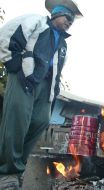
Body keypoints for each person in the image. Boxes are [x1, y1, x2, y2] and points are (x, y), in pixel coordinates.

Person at [0, 0, 83, 189]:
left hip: (45, 86)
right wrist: (15, 66)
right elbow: (6, 35)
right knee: (17, 120)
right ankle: (6, 174)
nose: (70, 22)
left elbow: (57, 71)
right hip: (24, 77)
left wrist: (53, 94)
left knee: (40, 121)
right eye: (67, 17)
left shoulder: (63, 45)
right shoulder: (36, 22)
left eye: (72, 20)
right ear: (56, 13)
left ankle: (17, 170)